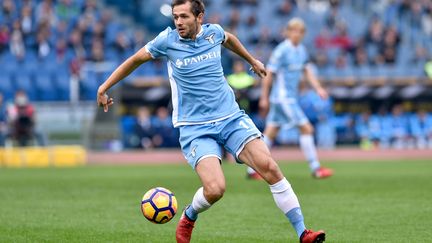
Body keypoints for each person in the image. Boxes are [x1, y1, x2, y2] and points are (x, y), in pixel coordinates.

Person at [96, 1, 325, 242]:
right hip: (195, 128)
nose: (179, 22)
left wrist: (252, 60)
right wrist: (104, 87)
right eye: (175, 17)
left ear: (199, 17)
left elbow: (229, 39)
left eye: (184, 17)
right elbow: (134, 60)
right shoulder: (167, 41)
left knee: (271, 168)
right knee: (215, 189)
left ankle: (303, 233)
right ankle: (189, 215)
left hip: (231, 118)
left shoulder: (213, 33)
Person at [256, 18, 333, 179]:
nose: (297, 34)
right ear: (288, 32)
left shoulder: (302, 51)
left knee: (270, 133)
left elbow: (307, 71)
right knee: (307, 129)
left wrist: (318, 88)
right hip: (284, 99)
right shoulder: (281, 50)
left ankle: (252, 170)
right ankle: (316, 168)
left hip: (287, 99)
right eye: (294, 30)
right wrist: (264, 97)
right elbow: (269, 74)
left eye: (300, 31)